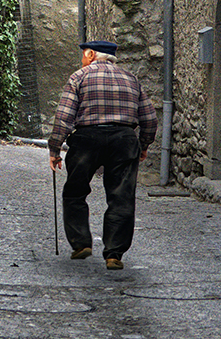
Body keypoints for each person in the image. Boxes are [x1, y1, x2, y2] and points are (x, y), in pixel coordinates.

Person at [48, 39, 158, 268]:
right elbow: (149, 118)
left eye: (83, 55)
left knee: (75, 191)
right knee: (121, 197)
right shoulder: (131, 79)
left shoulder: (79, 77)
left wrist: (55, 148)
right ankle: (114, 254)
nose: (82, 60)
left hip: (87, 139)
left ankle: (81, 243)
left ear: (90, 54)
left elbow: (64, 116)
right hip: (124, 139)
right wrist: (144, 144)